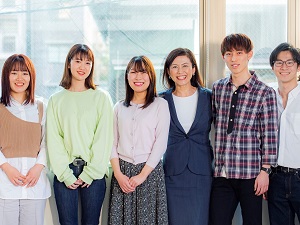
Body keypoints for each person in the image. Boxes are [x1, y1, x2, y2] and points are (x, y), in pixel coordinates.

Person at [209, 33, 278, 225]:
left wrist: (265, 171)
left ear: (249, 55)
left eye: (239, 53)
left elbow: (270, 135)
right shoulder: (218, 88)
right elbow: (216, 125)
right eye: (229, 53)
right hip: (223, 174)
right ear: (223, 57)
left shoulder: (265, 92)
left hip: (251, 175)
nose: (234, 58)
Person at [46, 44, 113, 225]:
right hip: (64, 172)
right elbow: (53, 139)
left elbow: (104, 138)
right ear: (68, 64)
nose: (82, 67)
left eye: (88, 62)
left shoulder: (102, 97)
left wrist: (89, 173)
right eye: (78, 61)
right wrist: (66, 175)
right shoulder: (55, 100)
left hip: (94, 173)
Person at [108, 55, 170, 225]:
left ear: (151, 76)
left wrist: (142, 176)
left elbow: (161, 143)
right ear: (127, 76)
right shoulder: (119, 107)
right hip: (122, 174)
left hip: (149, 173)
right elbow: (111, 143)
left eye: (143, 72)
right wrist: (119, 175)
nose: (138, 77)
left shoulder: (160, 105)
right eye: (133, 72)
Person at [160, 48, 213, 225]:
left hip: (201, 173)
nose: (180, 71)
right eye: (174, 67)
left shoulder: (209, 97)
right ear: (168, 71)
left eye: (185, 66)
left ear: (193, 69)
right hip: (172, 173)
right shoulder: (161, 100)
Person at [0, 54, 51, 225]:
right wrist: (6, 168)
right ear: (6, 76)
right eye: (14, 73)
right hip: (4, 186)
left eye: (25, 73)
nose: (20, 78)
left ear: (31, 77)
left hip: (35, 185)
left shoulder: (41, 107)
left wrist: (38, 167)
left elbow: (47, 142)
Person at [267, 42, 300, 225]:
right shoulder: (267, 96)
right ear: (272, 67)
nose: (284, 67)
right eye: (279, 62)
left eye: (289, 62)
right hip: (276, 178)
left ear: (298, 66)